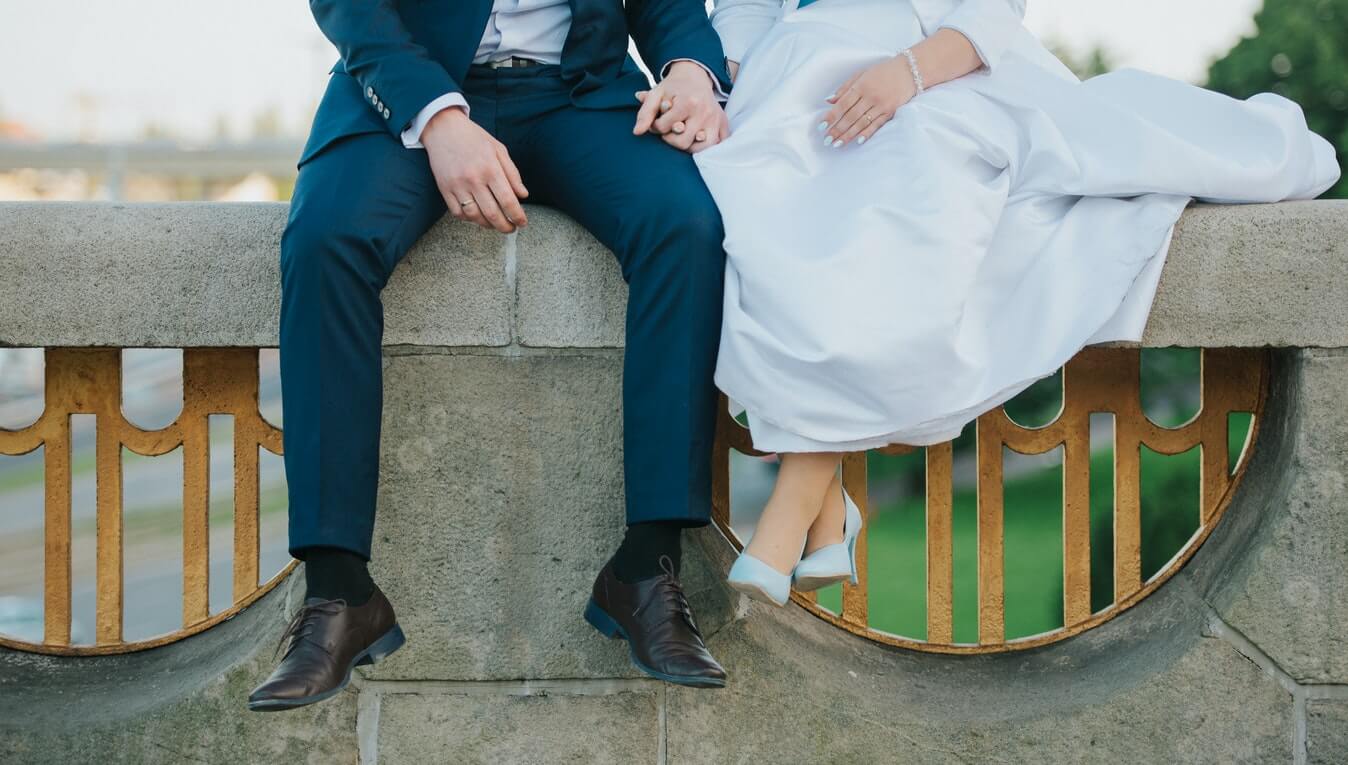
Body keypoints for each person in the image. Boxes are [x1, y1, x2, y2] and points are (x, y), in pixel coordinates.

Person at [695, 0, 1341, 603]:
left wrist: (908, 74)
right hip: (791, 77)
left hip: (941, 67)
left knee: (907, 197)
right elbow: (744, 9)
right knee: (744, 208)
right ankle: (826, 512)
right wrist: (727, 82)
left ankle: (793, 517)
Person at [249, 0, 737, 711]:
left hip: (582, 94)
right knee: (325, 241)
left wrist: (691, 71)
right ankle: (338, 592)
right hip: (413, 91)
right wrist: (441, 119)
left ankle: (647, 569)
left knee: (688, 226)